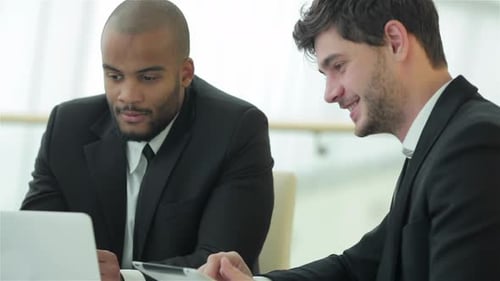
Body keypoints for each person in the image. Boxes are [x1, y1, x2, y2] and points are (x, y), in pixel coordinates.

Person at [199, 0, 500, 280]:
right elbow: (359, 266)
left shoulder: (473, 145)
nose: (330, 94)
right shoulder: (438, 142)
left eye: (339, 67)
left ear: (395, 41)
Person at [20, 0, 274, 280]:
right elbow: (34, 244)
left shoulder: (235, 130)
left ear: (185, 73)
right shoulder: (67, 127)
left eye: (148, 78)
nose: (128, 95)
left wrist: (123, 278)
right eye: (114, 76)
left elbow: (218, 267)